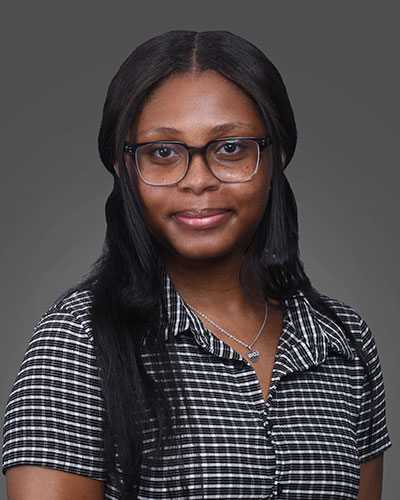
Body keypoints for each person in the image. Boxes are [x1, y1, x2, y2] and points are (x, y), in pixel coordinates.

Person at [2, 30, 391, 500]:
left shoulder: (345, 343)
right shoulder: (79, 340)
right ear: (123, 167)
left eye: (230, 148)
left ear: (277, 155)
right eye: (163, 152)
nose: (198, 181)